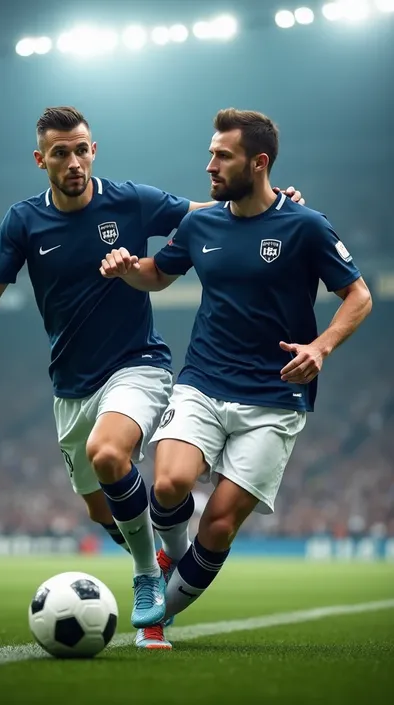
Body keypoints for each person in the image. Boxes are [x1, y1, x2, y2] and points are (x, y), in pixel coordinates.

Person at [0, 105, 304, 641]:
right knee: (105, 513)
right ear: (41, 159)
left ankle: (149, 573)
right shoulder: (23, 221)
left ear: (93, 150)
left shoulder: (131, 201)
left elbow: (208, 214)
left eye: (82, 149)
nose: (74, 161)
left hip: (136, 366)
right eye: (60, 153)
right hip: (70, 385)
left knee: (109, 453)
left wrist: (277, 204)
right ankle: (168, 557)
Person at [100, 108, 372, 649]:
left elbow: (358, 296)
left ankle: (157, 616)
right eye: (210, 154)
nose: (210, 166)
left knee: (219, 525)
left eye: (222, 156)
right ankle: (159, 578)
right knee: (169, 483)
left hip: (276, 396)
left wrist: (321, 347)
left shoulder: (306, 226)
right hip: (204, 378)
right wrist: (133, 270)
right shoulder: (201, 223)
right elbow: (161, 273)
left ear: (259, 162)